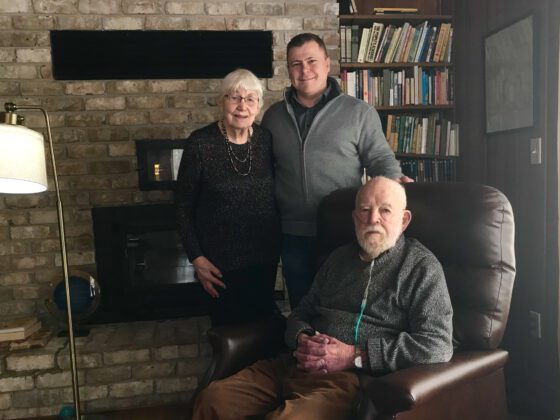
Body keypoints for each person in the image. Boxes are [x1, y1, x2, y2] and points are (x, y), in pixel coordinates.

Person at [191, 176, 453, 419]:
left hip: (345, 378)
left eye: (385, 210)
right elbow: (302, 311)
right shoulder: (337, 259)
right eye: (364, 210)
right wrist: (302, 337)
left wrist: (354, 355)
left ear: (404, 220)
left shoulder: (421, 267)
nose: (373, 218)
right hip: (294, 363)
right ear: (355, 217)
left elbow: (437, 344)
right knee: (213, 400)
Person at [261, 33, 412, 309]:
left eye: (311, 61)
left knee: (341, 307)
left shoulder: (359, 112)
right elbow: (264, 170)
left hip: (342, 229)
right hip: (292, 234)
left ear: (327, 64)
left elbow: (380, 159)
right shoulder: (273, 117)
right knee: (302, 308)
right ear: (288, 70)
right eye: (296, 64)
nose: (304, 70)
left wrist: (396, 187)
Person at [175, 68, 281, 326]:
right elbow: (182, 206)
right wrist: (196, 258)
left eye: (250, 99)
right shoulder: (200, 144)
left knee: (262, 329)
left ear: (259, 106)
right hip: (219, 265)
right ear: (221, 102)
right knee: (228, 332)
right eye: (234, 97)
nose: (242, 106)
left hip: (264, 259)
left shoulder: (266, 140)